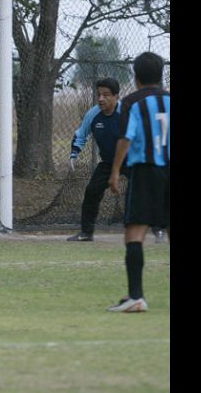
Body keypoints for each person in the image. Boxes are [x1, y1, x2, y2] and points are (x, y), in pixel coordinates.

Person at [106, 52, 170, 313]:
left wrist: (114, 171)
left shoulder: (132, 103)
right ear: (161, 74)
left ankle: (136, 297)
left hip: (146, 171)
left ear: (136, 76)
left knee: (135, 231)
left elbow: (125, 139)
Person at [67, 78, 166, 243]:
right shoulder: (93, 115)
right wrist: (74, 153)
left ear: (116, 97)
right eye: (98, 95)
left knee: (147, 192)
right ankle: (86, 233)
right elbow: (81, 134)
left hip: (132, 161)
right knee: (92, 191)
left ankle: (159, 230)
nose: (101, 99)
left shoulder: (128, 112)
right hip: (108, 163)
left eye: (106, 95)